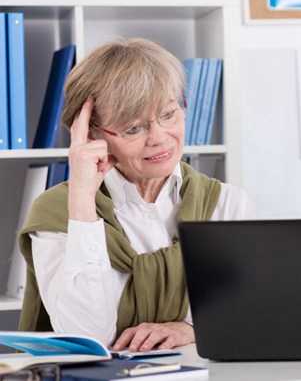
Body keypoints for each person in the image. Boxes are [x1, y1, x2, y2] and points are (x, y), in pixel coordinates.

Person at [17, 39, 253, 351]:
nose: (159, 138)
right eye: (133, 129)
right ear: (92, 135)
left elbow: (247, 310)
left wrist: (190, 328)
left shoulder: (226, 204)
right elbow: (86, 336)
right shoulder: (56, 213)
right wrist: (82, 200)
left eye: (169, 114)